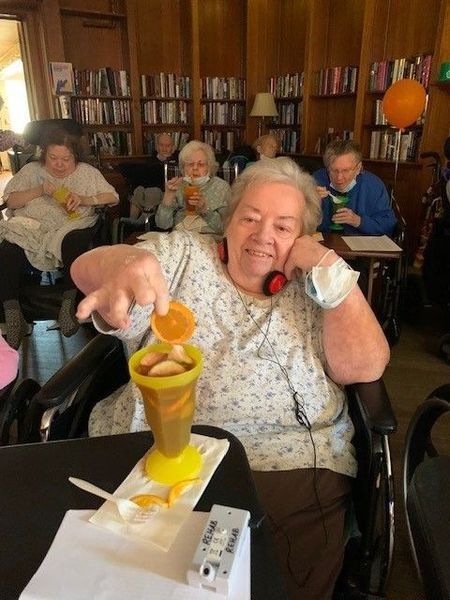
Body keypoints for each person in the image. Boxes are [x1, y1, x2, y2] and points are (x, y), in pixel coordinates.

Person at [72, 157, 389, 599]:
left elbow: (365, 367)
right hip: (160, 451)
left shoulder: (318, 288)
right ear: (229, 221)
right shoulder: (184, 255)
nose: (263, 236)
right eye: (251, 218)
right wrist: (117, 263)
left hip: (286, 462)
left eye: (283, 227)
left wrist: (327, 268)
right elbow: (96, 266)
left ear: (302, 238)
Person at [0, 126, 119, 349]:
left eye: (66, 159)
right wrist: (41, 189)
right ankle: (13, 315)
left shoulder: (86, 172)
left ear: (75, 157)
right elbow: (11, 202)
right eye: (53, 158)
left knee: (74, 240)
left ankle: (68, 305)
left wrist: (84, 199)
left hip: (70, 225)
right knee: (7, 248)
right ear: (44, 154)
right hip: (32, 228)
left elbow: (112, 197)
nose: (59, 164)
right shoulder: (31, 170)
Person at [314, 139, 397, 235]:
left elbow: (388, 225)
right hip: (324, 245)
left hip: (361, 246)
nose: (339, 177)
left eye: (346, 170)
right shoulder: (315, 181)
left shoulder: (373, 185)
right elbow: (299, 222)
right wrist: (310, 203)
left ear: (358, 168)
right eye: (334, 170)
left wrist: (359, 221)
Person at [155, 140, 231, 235]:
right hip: (179, 239)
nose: (195, 168)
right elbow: (162, 225)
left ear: (209, 167)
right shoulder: (177, 186)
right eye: (190, 164)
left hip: (209, 241)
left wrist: (205, 210)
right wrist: (168, 196)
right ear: (183, 168)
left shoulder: (221, 187)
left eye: (201, 164)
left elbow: (226, 229)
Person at [129, 133, 179, 220]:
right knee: (138, 190)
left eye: (168, 146)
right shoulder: (150, 161)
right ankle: (132, 221)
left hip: (167, 192)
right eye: (161, 145)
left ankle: (145, 220)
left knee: (153, 191)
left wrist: (167, 160)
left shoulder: (178, 160)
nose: (164, 148)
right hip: (147, 190)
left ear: (173, 148)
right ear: (156, 147)